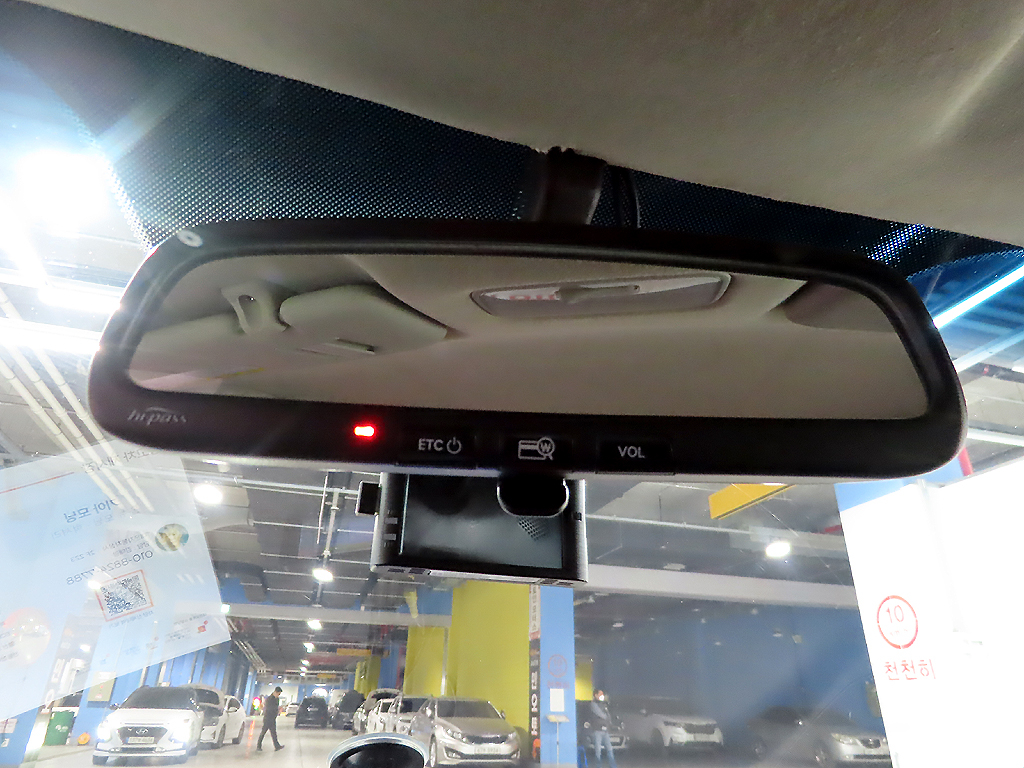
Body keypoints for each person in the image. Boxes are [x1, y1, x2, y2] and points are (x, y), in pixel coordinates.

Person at [589, 691, 618, 768]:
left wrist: (609, 722)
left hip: (605, 730)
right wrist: (606, 717)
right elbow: (601, 714)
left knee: (609, 748)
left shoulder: (603, 704)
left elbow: (608, 715)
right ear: (595, 695)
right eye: (600, 694)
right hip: (597, 730)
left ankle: (613, 765)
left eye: (602, 694)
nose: (602, 695)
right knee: (598, 750)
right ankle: (598, 766)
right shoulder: (593, 704)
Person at [257, 687, 285, 752]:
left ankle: (277, 746)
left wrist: (277, 711)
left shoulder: (277, 699)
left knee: (274, 733)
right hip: (268, 718)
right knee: (263, 732)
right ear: (275, 692)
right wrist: (276, 710)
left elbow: (275, 707)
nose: (278, 695)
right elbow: (269, 708)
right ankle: (258, 746)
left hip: (273, 718)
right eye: (278, 694)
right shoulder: (269, 699)